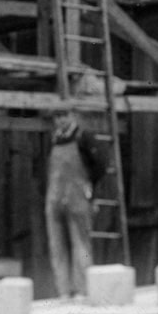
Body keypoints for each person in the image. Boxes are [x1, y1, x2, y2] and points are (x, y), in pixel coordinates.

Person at [44, 110, 107, 300]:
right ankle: (63, 291)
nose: (60, 120)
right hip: (54, 197)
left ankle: (82, 290)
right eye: (57, 117)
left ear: (73, 116)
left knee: (81, 245)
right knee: (57, 246)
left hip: (77, 197)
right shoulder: (54, 140)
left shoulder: (84, 138)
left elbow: (100, 165)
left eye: (64, 116)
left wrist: (89, 189)